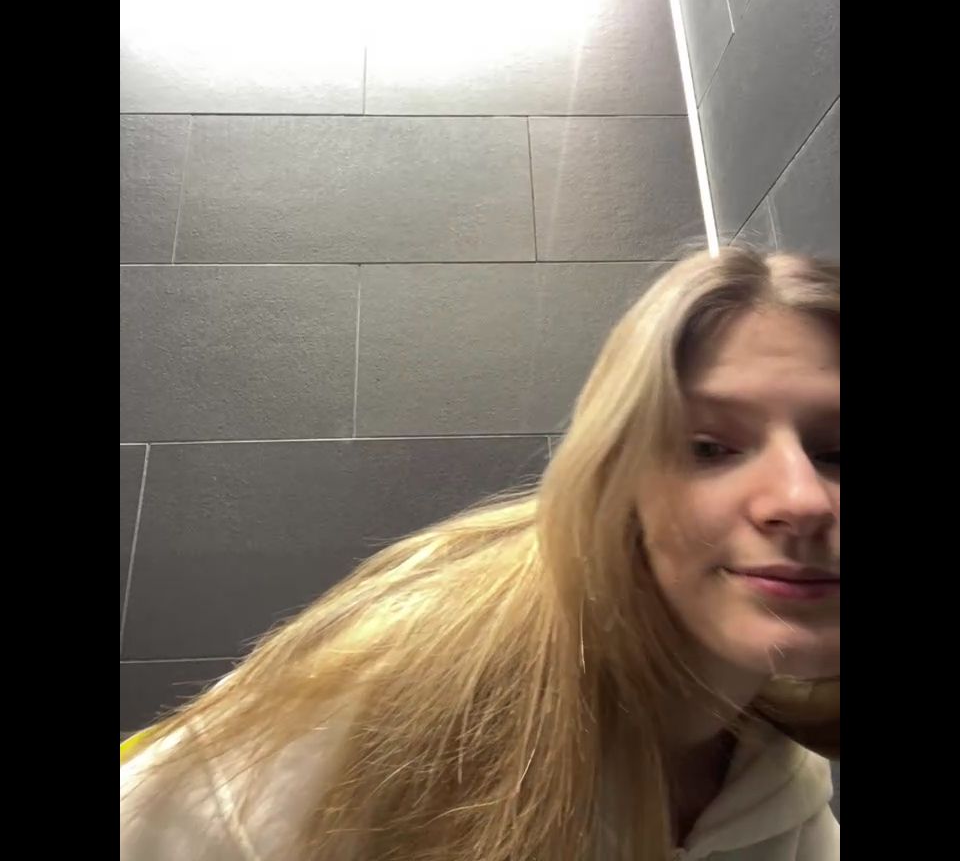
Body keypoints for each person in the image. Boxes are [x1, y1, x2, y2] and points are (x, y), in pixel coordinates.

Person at [120, 247, 840, 861]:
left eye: (837, 452)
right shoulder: (404, 687)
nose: (803, 499)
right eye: (709, 448)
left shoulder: (783, 791)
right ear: (615, 481)